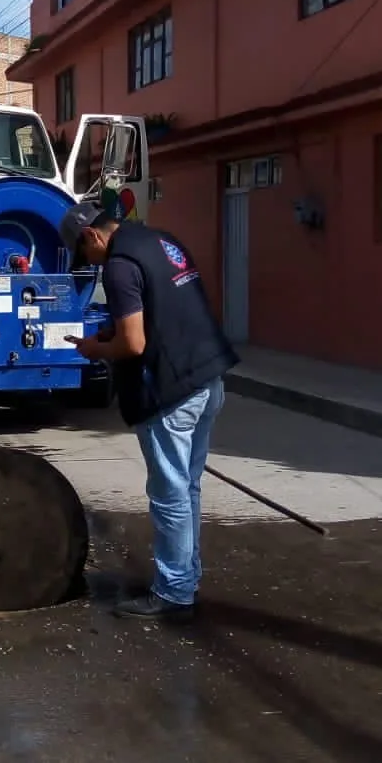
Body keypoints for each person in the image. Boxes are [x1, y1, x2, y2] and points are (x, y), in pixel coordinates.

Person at [59, 202, 240, 620]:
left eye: (84, 253)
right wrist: (113, 331)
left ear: (92, 236)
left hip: (171, 391)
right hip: (208, 378)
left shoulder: (119, 264)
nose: (89, 261)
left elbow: (134, 345)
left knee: (169, 493)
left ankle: (175, 593)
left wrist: (95, 348)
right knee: (187, 486)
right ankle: (185, 578)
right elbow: (165, 309)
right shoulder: (162, 240)